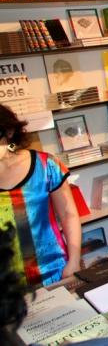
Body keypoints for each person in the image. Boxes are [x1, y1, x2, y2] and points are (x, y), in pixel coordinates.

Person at [0, 105, 81, 286]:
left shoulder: (46, 165)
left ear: (10, 131)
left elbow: (69, 215)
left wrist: (74, 260)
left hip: (52, 269)